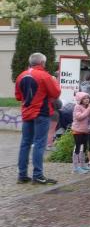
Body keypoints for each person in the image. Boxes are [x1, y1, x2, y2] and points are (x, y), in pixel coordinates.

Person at [15, 52, 61, 185]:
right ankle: (38, 175)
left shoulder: (21, 75)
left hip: (27, 113)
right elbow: (56, 93)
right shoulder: (45, 76)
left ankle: (22, 175)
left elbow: (18, 96)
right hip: (41, 113)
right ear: (42, 63)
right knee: (39, 144)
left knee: (25, 143)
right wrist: (54, 82)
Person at [71, 92, 90, 174]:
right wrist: (89, 109)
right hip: (77, 131)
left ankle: (82, 165)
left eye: (87, 98)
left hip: (85, 130)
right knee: (77, 147)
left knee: (84, 148)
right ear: (80, 100)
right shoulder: (77, 107)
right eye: (84, 98)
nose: (87, 100)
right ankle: (75, 168)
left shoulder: (86, 107)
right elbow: (79, 117)